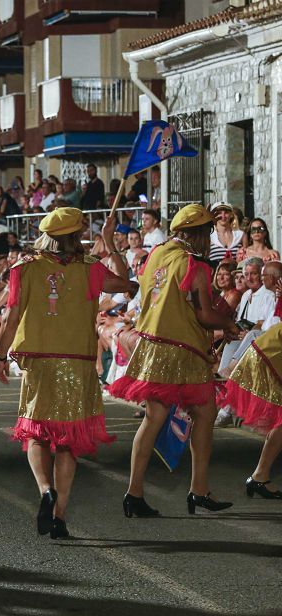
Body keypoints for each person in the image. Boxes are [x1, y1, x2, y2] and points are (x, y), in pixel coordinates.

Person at [0, 209, 136, 538]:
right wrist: (109, 243)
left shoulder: (24, 267)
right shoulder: (89, 268)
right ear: (76, 236)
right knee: (68, 443)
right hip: (77, 361)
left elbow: (11, 319)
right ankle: (59, 518)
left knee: (36, 433)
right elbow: (127, 284)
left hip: (39, 360)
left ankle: (46, 490)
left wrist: (1, 356)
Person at [108, 204, 240, 518]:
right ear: (197, 234)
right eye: (207, 234)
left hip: (153, 346)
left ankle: (134, 493)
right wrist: (230, 325)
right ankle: (199, 489)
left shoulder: (157, 254)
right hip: (183, 349)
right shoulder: (194, 264)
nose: (209, 241)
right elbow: (204, 314)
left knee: (153, 418)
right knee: (205, 413)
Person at [208, 201, 245, 268]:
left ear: (231, 215)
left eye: (226, 213)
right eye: (219, 213)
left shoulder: (241, 235)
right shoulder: (209, 236)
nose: (223, 216)